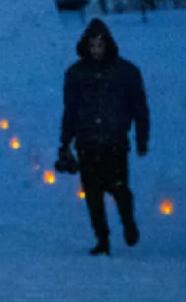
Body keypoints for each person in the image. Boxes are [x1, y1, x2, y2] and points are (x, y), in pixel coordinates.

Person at [59, 18, 150, 256]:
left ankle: (128, 223)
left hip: (114, 141)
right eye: (92, 44)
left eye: (100, 44)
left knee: (120, 189)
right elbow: (70, 109)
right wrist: (65, 142)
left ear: (108, 44)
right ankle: (102, 240)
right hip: (87, 142)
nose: (96, 49)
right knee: (93, 195)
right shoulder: (75, 74)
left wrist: (142, 138)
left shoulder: (126, 72)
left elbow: (139, 107)